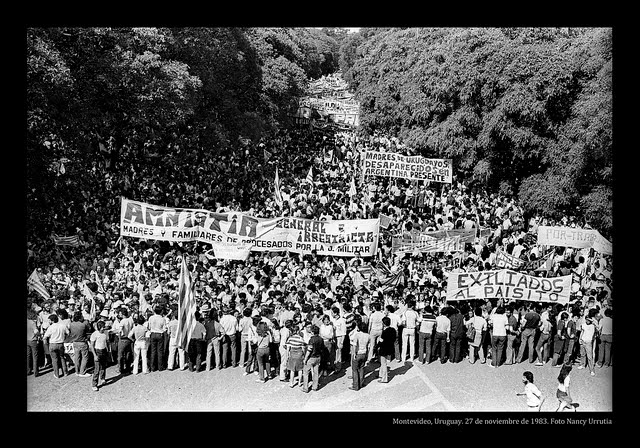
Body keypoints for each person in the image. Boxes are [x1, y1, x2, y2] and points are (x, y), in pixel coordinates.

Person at [43, 314, 69, 378]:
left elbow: (45, 337)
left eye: (49, 320)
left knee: (54, 359)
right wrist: (64, 338)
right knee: (62, 358)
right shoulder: (63, 326)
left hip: (52, 344)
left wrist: (45, 344)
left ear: (52, 320)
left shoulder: (51, 327)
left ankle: (56, 374)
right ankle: (65, 372)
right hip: (61, 343)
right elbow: (68, 333)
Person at [68, 311, 92, 377]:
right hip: (82, 342)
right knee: (85, 357)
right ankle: (82, 372)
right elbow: (88, 330)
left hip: (75, 342)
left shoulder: (71, 324)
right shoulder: (83, 325)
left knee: (77, 357)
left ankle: (77, 371)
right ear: (79, 317)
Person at [349, 320, 369, 391]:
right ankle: (361, 383)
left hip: (358, 353)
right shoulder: (368, 336)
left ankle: (355, 385)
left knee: (355, 370)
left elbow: (354, 345)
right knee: (361, 369)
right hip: (364, 353)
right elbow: (368, 346)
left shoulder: (357, 335)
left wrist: (354, 353)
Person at [302, 324, 323, 392]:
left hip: (311, 358)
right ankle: (315, 386)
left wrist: (305, 359)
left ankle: (305, 388)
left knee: (306, 372)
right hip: (318, 357)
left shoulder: (311, 340)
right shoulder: (321, 339)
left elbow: (309, 350)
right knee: (316, 372)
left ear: (312, 332)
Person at [114, 307, 135, 375]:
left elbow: (120, 331)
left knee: (120, 355)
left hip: (123, 338)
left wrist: (119, 337)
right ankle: (128, 368)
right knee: (128, 354)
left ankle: (121, 369)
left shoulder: (123, 321)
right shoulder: (130, 320)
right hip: (129, 338)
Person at [89, 320, 109, 391]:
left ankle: (102, 378)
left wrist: (108, 351)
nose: (104, 328)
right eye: (103, 327)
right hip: (97, 351)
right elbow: (92, 345)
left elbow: (107, 342)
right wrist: (94, 355)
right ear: (99, 327)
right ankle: (94, 384)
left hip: (104, 351)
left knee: (103, 366)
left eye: (104, 327)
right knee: (97, 369)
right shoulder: (95, 334)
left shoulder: (105, 334)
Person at [399, 299, 420, 365]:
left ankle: (403, 358)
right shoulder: (415, 313)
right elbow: (418, 321)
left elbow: (403, 322)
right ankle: (411, 358)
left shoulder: (405, 312)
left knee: (404, 344)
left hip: (406, 328)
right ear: (413, 306)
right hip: (412, 329)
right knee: (412, 344)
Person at [377, 316, 396, 383]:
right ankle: (381, 374)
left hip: (384, 349)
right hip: (390, 348)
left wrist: (377, 346)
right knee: (383, 363)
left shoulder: (384, 332)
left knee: (383, 363)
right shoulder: (393, 330)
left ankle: (384, 378)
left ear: (384, 324)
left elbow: (381, 341)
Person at [147, 306, 166, 372]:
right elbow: (164, 328)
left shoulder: (151, 318)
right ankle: (160, 367)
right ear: (161, 311)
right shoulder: (162, 319)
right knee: (160, 351)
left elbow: (149, 327)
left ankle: (152, 367)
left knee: (153, 351)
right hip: (160, 334)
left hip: (153, 333)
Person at [27, 309, 40, 377]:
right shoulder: (33, 323)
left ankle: (28, 370)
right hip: (33, 340)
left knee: (28, 356)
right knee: (35, 356)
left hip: (27, 340)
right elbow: (36, 331)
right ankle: (36, 372)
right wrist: (39, 335)